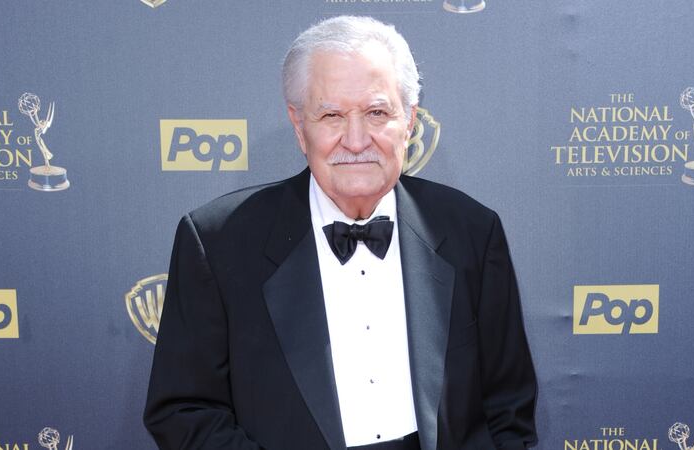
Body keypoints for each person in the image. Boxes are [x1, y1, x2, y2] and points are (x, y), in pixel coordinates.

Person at [144, 15, 537, 450]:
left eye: (376, 112)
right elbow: (184, 412)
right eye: (331, 114)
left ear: (409, 120)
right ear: (299, 126)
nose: (355, 140)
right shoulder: (217, 242)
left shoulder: (472, 231)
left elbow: (509, 405)